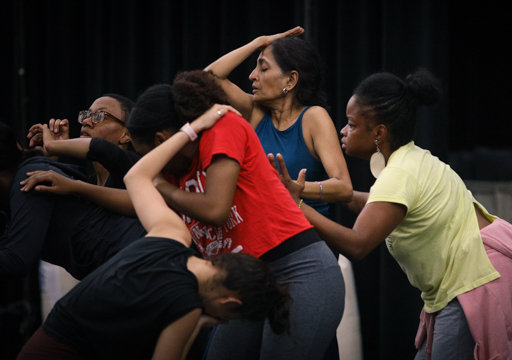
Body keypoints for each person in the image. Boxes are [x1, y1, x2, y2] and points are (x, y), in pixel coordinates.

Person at [272, 69, 512, 360]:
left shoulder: (399, 175)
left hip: (477, 284)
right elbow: (374, 203)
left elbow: (357, 244)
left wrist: (297, 207)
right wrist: (306, 190)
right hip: (474, 280)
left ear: (379, 133)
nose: (343, 131)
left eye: (351, 124)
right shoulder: (413, 157)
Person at [17, 104, 291, 360]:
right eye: (228, 316)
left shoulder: (173, 235)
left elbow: (136, 176)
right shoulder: (186, 304)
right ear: (229, 300)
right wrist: (198, 318)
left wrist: (193, 128)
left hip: (46, 339)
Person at [126, 70, 345, 360]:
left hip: (298, 271)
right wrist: (78, 188)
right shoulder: (169, 172)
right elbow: (136, 196)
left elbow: (216, 210)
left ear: (160, 139)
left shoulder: (223, 127)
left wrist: (158, 185)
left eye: (145, 154)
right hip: (245, 282)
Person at [205, 26, 352, 218]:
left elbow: (344, 187)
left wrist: (295, 187)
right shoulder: (257, 112)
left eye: (263, 68)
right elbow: (209, 77)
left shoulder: (313, 117)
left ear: (290, 80)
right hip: (263, 237)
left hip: (306, 237)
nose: (252, 76)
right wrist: (259, 42)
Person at [0, 121, 145, 279]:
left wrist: (53, 146)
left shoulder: (31, 178)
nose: (86, 121)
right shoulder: (73, 180)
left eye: (99, 116)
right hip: (119, 264)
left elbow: (102, 149)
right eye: (85, 115)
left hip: (136, 258)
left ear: (126, 135)